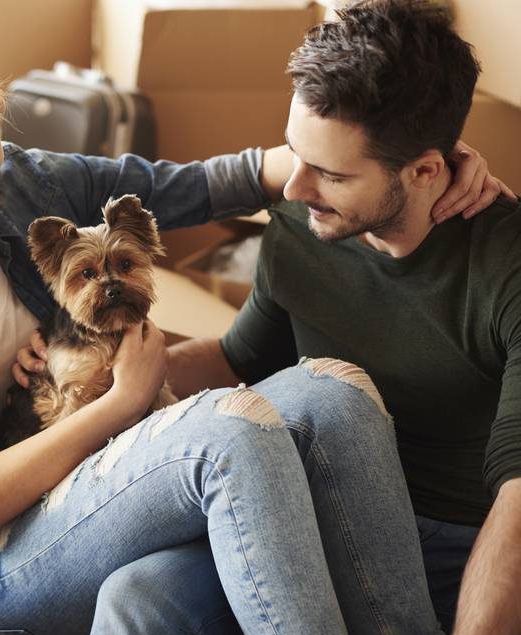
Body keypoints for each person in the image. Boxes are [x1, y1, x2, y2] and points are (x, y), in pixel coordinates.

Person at [0, 19, 504, 635]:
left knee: (335, 391)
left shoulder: (23, 179)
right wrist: (119, 402)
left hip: (100, 480)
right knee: (231, 431)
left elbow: (204, 183)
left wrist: (423, 159)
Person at [86, 1, 516, 633]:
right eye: (295, 154)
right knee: (139, 596)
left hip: (457, 541)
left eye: (330, 174)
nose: (292, 188)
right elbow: (241, 358)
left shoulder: (504, 265)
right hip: (313, 507)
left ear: (425, 170)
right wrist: (94, 384)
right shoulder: (300, 222)